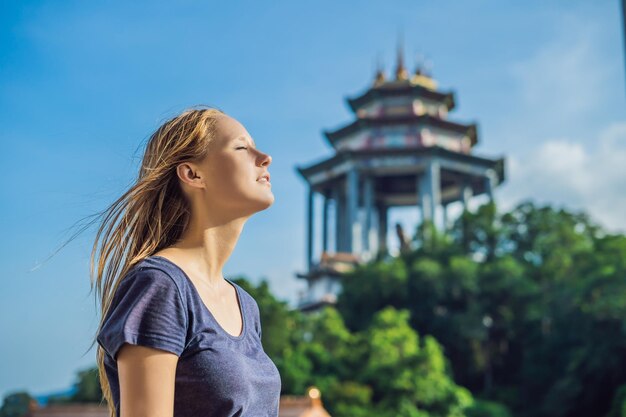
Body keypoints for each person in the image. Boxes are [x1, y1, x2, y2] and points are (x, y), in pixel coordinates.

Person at [91, 106, 281, 417]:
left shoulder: (246, 305)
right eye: (242, 147)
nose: (264, 157)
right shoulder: (159, 285)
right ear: (192, 174)